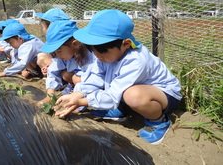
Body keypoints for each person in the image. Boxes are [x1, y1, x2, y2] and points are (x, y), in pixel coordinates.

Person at [55, 9, 182, 145]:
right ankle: (120, 110)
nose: (98, 56)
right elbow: (95, 77)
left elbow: (113, 94)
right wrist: (78, 94)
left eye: (103, 51)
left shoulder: (136, 60)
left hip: (164, 95)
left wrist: (82, 102)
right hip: (129, 91)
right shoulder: (105, 57)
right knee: (118, 89)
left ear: (126, 44)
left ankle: (158, 121)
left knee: (133, 95)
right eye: (93, 50)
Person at [37, 20, 96, 106]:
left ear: (74, 44)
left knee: (77, 78)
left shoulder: (89, 55)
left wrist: (77, 103)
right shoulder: (65, 54)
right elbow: (52, 71)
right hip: (81, 82)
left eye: (59, 51)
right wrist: (50, 95)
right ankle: (72, 87)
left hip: (95, 85)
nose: (57, 54)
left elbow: (92, 80)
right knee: (67, 74)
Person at [35, 8, 70, 77]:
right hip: (61, 65)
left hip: (68, 70)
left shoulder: (63, 40)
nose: (42, 29)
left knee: (41, 57)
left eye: (43, 27)